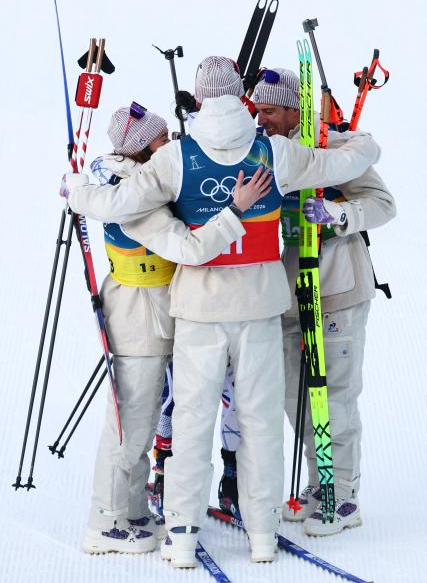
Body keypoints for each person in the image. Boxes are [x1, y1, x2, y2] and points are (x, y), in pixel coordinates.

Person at [64, 56, 380, 567]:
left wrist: (78, 191)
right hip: (260, 307)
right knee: (259, 423)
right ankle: (261, 534)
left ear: (199, 98)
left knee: (190, 423)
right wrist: (344, 135)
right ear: (242, 95)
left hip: (197, 310)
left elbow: (117, 204)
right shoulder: (276, 152)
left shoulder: (175, 158)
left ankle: (182, 536)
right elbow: (355, 161)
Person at [62, 102, 271, 555]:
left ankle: (133, 512)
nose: (170, 145)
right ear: (140, 151)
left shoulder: (127, 180)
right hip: (139, 314)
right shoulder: (132, 196)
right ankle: (108, 522)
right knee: (130, 422)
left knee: (143, 417)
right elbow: (190, 248)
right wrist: (234, 210)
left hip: (152, 310)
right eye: (161, 141)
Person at [251, 67, 396, 536]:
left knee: (334, 397)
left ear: (295, 107)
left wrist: (337, 214)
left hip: (336, 290)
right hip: (288, 294)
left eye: (269, 109)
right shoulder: (266, 150)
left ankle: (345, 495)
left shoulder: (330, 147)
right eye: (257, 109)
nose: (261, 117)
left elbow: (383, 202)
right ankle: (321, 484)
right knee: (298, 399)